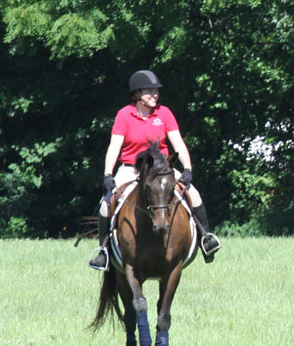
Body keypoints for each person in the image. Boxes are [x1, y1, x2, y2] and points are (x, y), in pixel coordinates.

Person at [89, 70, 222, 270]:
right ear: (137, 95)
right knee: (105, 205)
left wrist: (187, 168)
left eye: (156, 91)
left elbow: (178, 143)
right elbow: (114, 146)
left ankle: (206, 239)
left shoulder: (164, 113)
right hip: (132, 169)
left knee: (194, 194)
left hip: (161, 169)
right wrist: (108, 174)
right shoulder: (124, 115)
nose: (155, 95)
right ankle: (104, 252)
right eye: (149, 91)